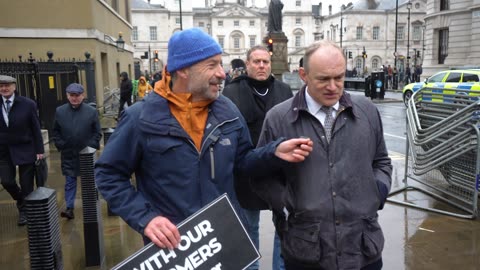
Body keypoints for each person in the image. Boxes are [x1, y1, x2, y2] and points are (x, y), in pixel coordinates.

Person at [94, 27, 313, 252]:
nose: (221, 73)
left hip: (226, 242)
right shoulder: (140, 117)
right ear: (183, 70)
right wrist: (146, 218)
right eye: (212, 65)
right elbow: (108, 175)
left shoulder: (227, 110)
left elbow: (243, 160)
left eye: (220, 64)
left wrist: (273, 152)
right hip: (175, 250)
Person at [254, 40, 392, 270]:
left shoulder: (367, 110)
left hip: (362, 247)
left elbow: (381, 161)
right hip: (306, 251)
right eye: (323, 79)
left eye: (339, 77)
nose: (333, 86)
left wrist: (377, 192)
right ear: (303, 75)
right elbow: (261, 175)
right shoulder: (278, 118)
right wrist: (287, 206)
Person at [222, 45, 293, 270]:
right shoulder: (231, 92)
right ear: (247, 64)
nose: (261, 66)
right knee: (248, 229)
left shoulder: (284, 91)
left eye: (265, 62)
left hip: (278, 172)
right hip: (246, 172)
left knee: (284, 228)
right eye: (256, 62)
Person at [0, 75, 44, 226]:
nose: (4, 88)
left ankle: (25, 212)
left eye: (7, 85)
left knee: (27, 185)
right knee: (7, 181)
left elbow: (36, 128)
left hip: (25, 147)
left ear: (14, 87)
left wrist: (39, 149)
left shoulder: (28, 104)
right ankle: (21, 202)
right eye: (1, 86)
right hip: (3, 150)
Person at [53, 83, 102, 220]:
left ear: (83, 96)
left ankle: (91, 203)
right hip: (69, 153)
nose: (74, 98)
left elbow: (97, 133)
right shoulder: (60, 111)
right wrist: (61, 144)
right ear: (67, 96)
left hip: (86, 154)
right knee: (70, 181)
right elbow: (55, 131)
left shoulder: (91, 112)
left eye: (77, 95)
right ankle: (69, 208)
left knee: (89, 180)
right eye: (71, 95)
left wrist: (90, 147)